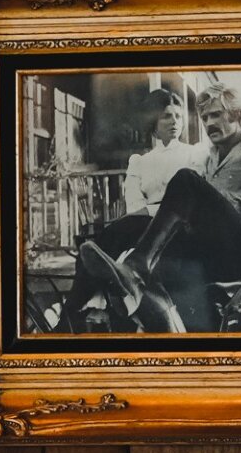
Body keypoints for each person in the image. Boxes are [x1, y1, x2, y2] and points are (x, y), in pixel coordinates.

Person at [80, 82, 241, 333]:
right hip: (211, 246)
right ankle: (83, 308)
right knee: (129, 227)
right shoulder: (212, 157)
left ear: (237, 115)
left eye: (216, 114)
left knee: (186, 180)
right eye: (204, 117)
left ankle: (136, 270)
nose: (209, 122)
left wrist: (209, 198)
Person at [52, 89, 201, 332]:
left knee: (109, 237)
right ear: (152, 121)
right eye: (166, 116)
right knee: (118, 234)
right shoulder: (140, 162)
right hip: (141, 229)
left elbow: (192, 199)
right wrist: (155, 210)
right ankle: (81, 310)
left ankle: (70, 313)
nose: (175, 121)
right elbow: (134, 207)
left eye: (178, 115)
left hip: (179, 229)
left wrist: (160, 211)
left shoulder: (195, 154)